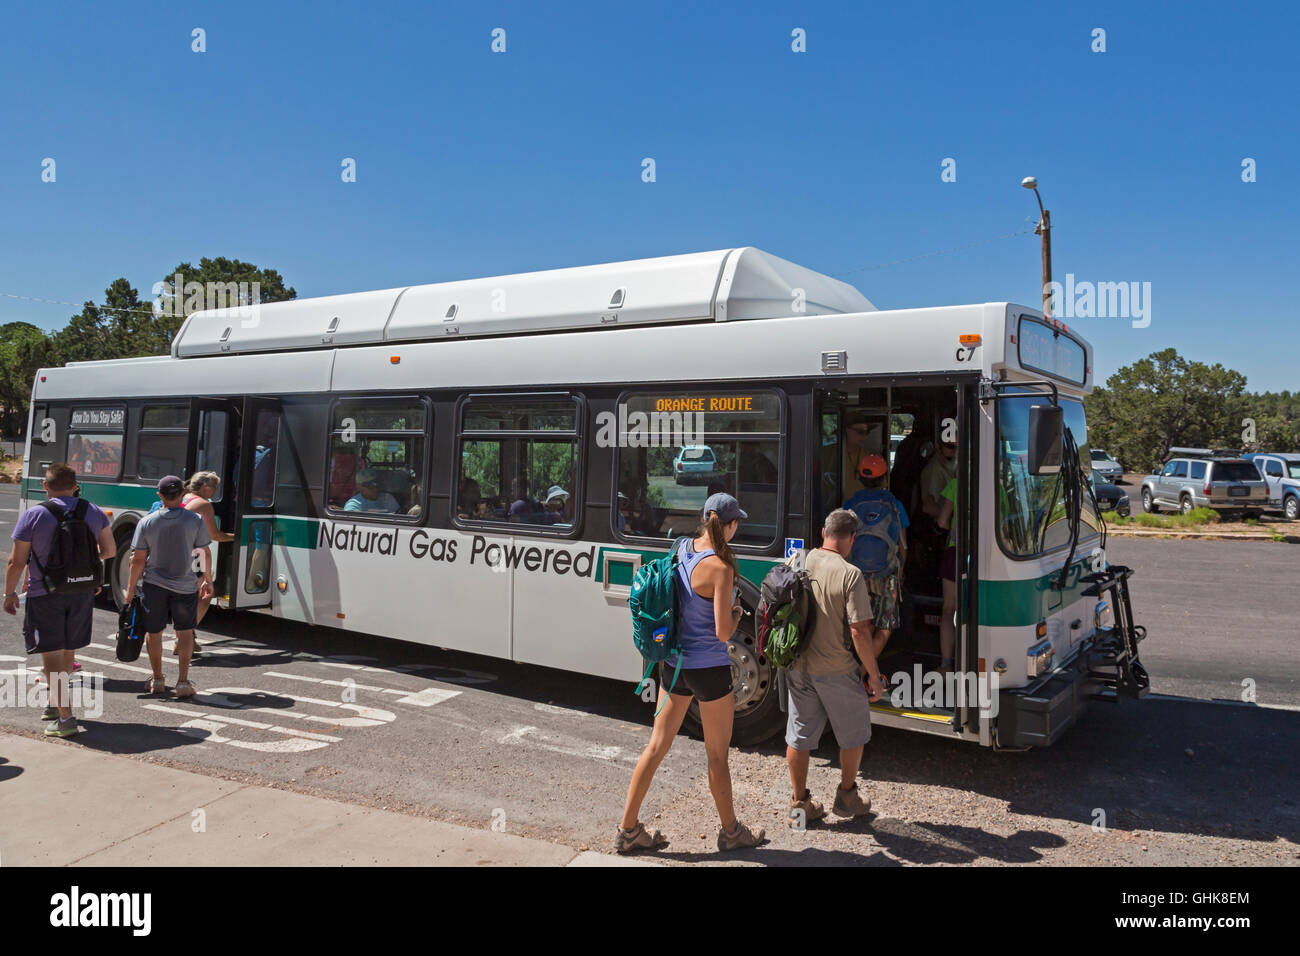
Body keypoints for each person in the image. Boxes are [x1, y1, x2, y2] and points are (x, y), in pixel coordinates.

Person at [618, 493, 765, 854]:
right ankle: (731, 832)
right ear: (729, 525)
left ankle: (628, 829)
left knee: (656, 746)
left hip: (675, 664)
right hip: (709, 670)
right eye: (736, 523)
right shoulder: (721, 567)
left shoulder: (682, 547)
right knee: (717, 756)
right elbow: (721, 632)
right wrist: (735, 614)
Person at [784, 508, 885, 826]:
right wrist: (872, 674)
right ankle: (846, 797)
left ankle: (799, 805)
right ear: (851, 538)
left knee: (799, 736)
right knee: (853, 734)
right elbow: (859, 631)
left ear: (824, 533)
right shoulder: (849, 573)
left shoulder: (797, 560)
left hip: (797, 665)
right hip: (837, 669)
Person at [3, 463, 116, 737]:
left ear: (45, 485)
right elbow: (109, 550)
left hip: (46, 594)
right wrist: (81, 566)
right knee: (68, 648)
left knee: (50, 652)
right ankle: (55, 704)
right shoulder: (92, 510)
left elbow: (16, 561)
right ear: (75, 485)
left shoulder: (34, 515)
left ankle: (65, 718)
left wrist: (9, 593)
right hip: (82, 592)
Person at [124, 476, 213, 698]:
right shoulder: (195, 520)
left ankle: (157, 680)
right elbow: (204, 551)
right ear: (183, 493)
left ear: (160, 495)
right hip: (185, 586)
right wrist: (207, 579)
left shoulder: (148, 522)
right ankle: (183, 682)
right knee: (184, 632)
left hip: (154, 586)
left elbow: (137, 559)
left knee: (154, 632)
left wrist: (130, 587)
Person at [843, 453, 909, 657]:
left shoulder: (850, 505)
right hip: (887, 574)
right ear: (884, 477)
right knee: (885, 626)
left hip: (857, 575)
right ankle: (865, 672)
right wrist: (901, 570)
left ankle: (860, 672)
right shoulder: (894, 505)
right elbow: (903, 545)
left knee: (864, 624)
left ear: (860, 478)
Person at [181, 472, 234, 653]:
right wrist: (239, 537)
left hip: (174, 554)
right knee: (204, 595)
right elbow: (215, 535)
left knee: (185, 598)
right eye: (214, 487)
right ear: (204, 486)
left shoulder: (185, 497)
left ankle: (187, 637)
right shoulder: (204, 505)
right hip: (192, 556)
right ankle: (185, 636)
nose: (216, 491)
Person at [936, 477, 958, 674]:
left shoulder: (955, 484)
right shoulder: (999, 486)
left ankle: (946, 664)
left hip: (956, 553)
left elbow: (942, 521)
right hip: (986, 555)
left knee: (949, 610)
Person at [920, 437, 957, 519]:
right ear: (938, 447)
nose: (955, 451)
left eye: (958, 446)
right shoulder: (934, 469)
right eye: (950, 446)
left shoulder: (953, 466)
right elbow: (930, 507)